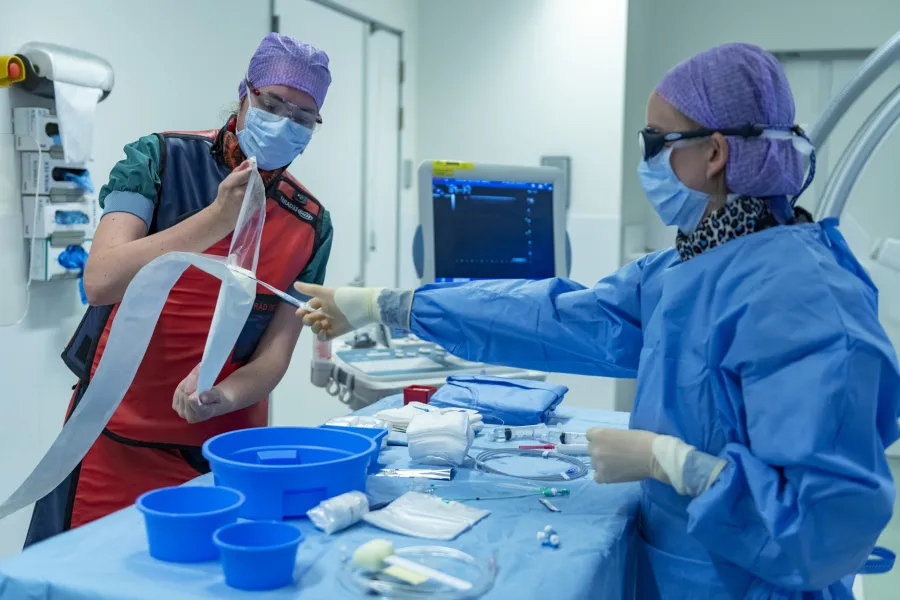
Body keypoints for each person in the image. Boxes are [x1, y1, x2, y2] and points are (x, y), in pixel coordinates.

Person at [294, 44, 900, 598]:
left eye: (655, 142)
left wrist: (675, 463)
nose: (646, 160)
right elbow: (555, 318)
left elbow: (825, 527)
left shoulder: (808, 302)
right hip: (684, 568)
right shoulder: (692, 268)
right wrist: (386, 305)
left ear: (715, 153)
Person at [25, 33, 334, 545]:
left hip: (223, 456)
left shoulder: (309, 223)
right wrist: (217, 218)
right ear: (245, 93)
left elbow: (274, 356)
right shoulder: (159, 159)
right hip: (113, 441)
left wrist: (222, 394)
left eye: (303, 117)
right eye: (273, 103)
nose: (284, 123)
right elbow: (100, 280)